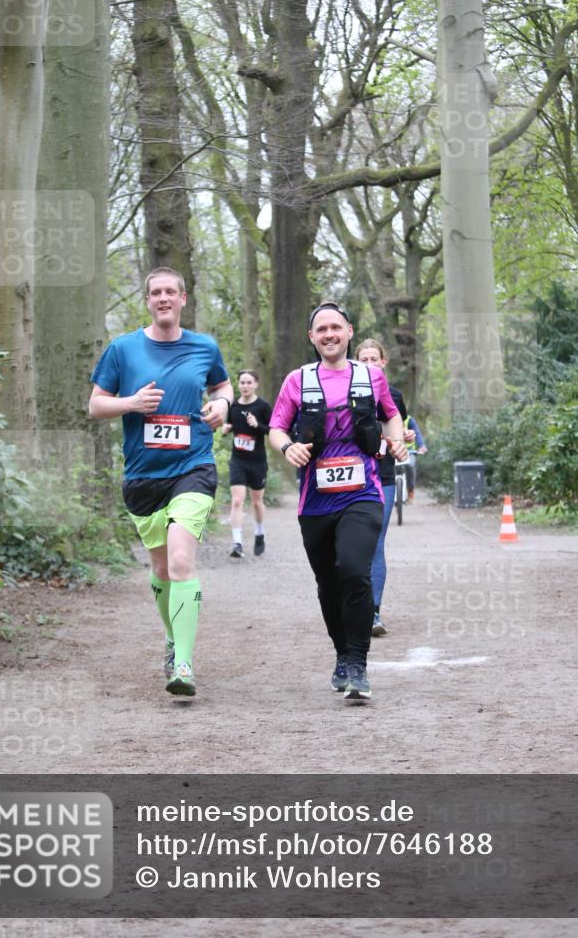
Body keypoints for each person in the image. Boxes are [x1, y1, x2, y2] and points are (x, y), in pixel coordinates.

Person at [88, 267, 233, 698]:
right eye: (156, 292)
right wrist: (131, 403)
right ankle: (173, 640)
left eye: (171, 291)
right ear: (148, 300)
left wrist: (222, 406)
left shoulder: (204, 347)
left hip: (193, 467)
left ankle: (184, 665)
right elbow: (95, 405)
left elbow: (222, 388)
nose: (164, 298)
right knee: (162, 569)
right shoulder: (123, 350)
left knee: (182, 560)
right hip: (142, 475)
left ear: (183, 299)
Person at [269, 302, 407, 702]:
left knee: (354, 568)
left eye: (335, 327)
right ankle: (342, 655)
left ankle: (359, 664)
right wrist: (288, 447)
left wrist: (395, 440)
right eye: (320, 329)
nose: (329, 334)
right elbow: (277, 427)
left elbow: (391, 414)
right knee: (328, 583)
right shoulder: (297, 380)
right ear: (311, 338)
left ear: (348, 331)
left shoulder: (371, 377)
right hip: (315, 499)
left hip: (363, 491)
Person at [356, 338, 408, 638]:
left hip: (383, 477)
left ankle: (373, 610)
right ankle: (352, 604)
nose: (370, 364)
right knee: (348, 546)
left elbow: (399, 428)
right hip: (350, 475)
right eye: (364, 359)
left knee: (375, 543)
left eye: (374, 359)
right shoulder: (344, 392)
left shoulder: (394, 396)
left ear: (383, 362)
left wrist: (403, 438)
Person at [221, 370, 272, 558]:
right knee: (237, 500)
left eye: (249, 382)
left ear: (256, 384)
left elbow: (273, 431)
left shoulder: (263, 407)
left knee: (257, 502)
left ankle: (260, 533)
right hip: (238, 460)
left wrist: (257, 425)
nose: (245, 386)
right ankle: (237, 543)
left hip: (257, 461)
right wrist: (228, 428)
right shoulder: (233, 406)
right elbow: (231, 424)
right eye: (242, 382)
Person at [403, 414, 428, 502]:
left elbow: (417, 433)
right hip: (393, 451)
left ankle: (410, 491)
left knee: (411, 466)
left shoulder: (409, 420)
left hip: (409, 451)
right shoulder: (386, 417)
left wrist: (422, 446)